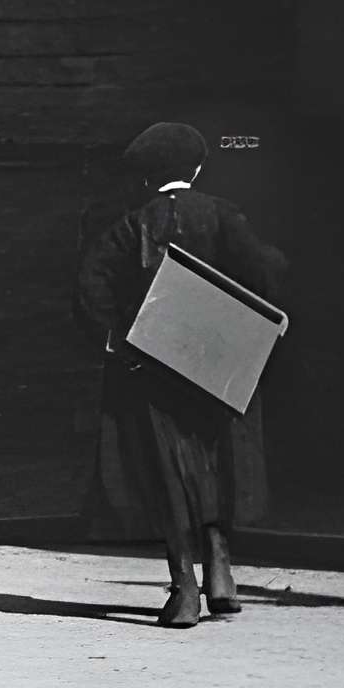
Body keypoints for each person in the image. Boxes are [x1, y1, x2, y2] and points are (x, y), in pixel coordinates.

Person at [75, 122, 289, 628]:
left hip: (155, 373)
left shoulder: (131, 224)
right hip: (216, 369)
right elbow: (265, 271)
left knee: (167, 473)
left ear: (147, 177)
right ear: (196, 169)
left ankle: (184, 591)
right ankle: (222, 575)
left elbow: (91, 288)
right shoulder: (223, 215)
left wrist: (125, 339)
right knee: (218, 467)